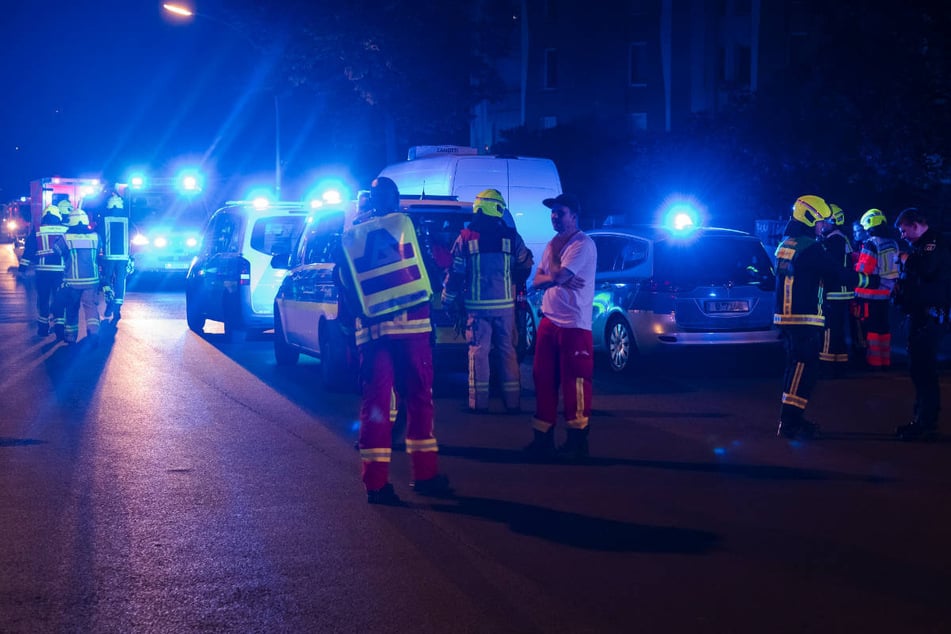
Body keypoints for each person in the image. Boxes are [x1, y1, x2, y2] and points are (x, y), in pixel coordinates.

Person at [335, 176, 452, 504]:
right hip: (412, 329)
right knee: (418, 399)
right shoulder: (408, 225)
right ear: (397, 198)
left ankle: (375, 484)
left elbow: (342, 282)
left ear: (371, 200)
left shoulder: (351, 236)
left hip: (372, 334)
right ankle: (425, 475)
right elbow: (430, 266)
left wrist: (349, 327)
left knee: (375, 405)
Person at [774, 195, 876, 440]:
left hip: (788, 318)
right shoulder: (810, 247)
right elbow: (837, 273)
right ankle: (790, 422)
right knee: (804, 370)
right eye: (821, 221)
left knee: (795, 369)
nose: (823, 227)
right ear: (809, 218)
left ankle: (792, 419)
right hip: (804, 318)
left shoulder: (786, 243)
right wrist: (872, 281)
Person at [442, 189, 534, 413]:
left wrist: (447, 299)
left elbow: (456, 274)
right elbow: (526, 264)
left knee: (478, 352)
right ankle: (513, 403)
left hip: (477, 308)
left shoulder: (465, 237)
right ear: (497, 208)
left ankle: (478, 403)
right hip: (505, 308)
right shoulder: (512, 237)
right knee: (508, 351)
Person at [523, 193, 597, 461]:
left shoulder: (582, 245)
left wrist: (555, 277)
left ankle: (577, 443)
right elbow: (539, 280)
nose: (554, 216)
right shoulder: (553, 244)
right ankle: (543, 440)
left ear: (574, 216)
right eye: (553, 212)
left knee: (575, 383)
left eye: (560, 212)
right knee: (543, 379)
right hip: (550, 320)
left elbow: (558, 275)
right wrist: (554, 278)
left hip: (574, 325)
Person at [892, 208, 951, 441]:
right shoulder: (922, 246)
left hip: (931, 315)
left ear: (916, 225)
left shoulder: (934, 243)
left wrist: (908, 260)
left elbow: (927, 270)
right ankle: (922, 418)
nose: (902, 235)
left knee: (924, 369)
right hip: (920, 314)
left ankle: (925, 421)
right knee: (919, 368)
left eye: (904, 230)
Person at [854, 209, 900, 369]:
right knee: (883, 328)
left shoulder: (871, 243)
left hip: (870, 294)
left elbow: (864, 268)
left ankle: (874, 362)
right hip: (886, 294)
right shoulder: (893, 243)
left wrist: (854, 265)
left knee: (871, 328)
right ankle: (885, 360)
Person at [49, 207, 101, 345]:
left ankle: (71, 337)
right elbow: (98, 254)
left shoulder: (66, 238)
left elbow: (56, 250)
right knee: (90, 307)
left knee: (72, 308)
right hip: (92, 280)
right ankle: (94, 332)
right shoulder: (96, 237)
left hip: (73, 282)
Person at [18, 205, 68, 336]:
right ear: (58, 216)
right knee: (60, 299)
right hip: (60, 272)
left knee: (43, 299)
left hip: (42, 272)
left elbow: (29, 250)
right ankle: (59, 327)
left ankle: (43, 328)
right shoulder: (65, 230)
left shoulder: (38, 230)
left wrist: (22, 269)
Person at [818, 203, 855, 374]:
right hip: (841, 291)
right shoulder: (839, 238)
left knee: (829, 329)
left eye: (824, 221)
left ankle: (827, 365)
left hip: (834, 292)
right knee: (837, 330)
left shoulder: (835, 240)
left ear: (834, 221)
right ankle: (839, 364)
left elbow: (830, 267)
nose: (822, 224)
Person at [98, 191, 131, 324]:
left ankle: (109, 302)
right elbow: (134, 236)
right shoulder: (128, 220)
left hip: (108, 257)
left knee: (106, 280)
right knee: (120, 281)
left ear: (109, 206)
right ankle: (117, 308)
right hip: (123, 257)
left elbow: (99, 238)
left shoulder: (104, 219)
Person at [849, 219, 869, 361]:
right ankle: (859, 350)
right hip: (856, 293)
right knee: (855, 323)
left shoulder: (869, 246)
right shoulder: (855, 247)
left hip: (866, 293)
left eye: (858, 231)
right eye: (854, 231)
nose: (855, 234)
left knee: (863, 324)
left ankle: (863, 353)